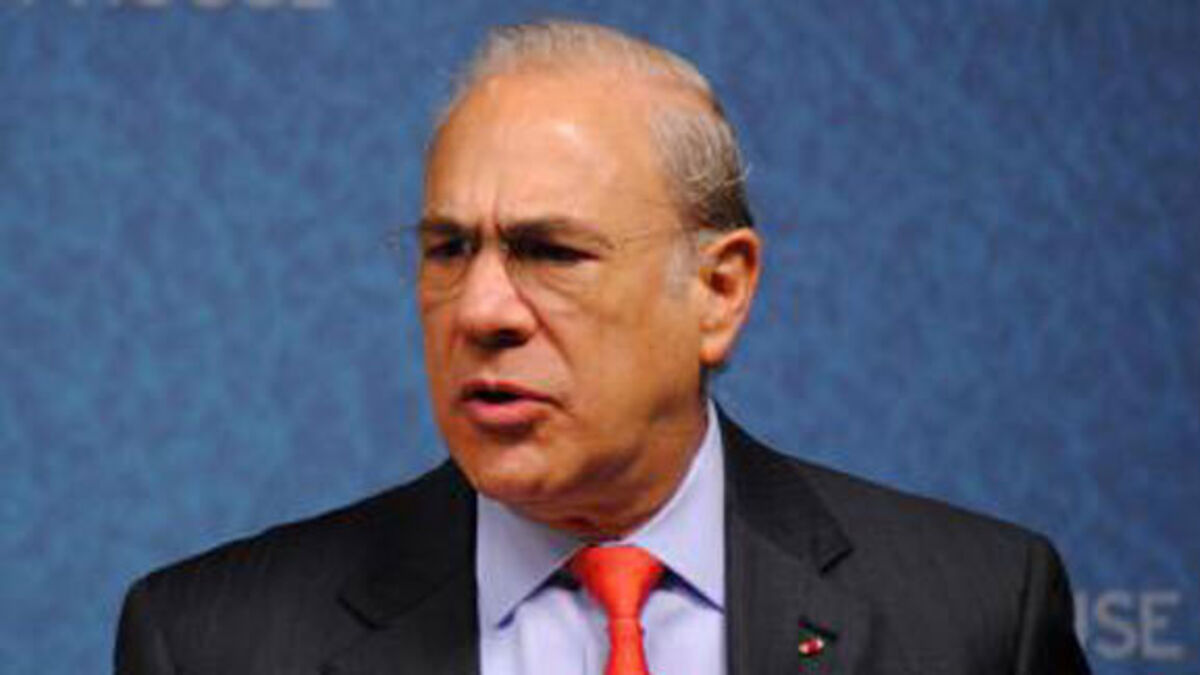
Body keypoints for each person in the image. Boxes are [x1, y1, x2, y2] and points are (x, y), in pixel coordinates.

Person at [116, 20, 1090, 675]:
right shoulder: (213, 642)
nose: (481, 310)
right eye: (448, 249)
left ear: (718, 291)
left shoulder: (972, 617)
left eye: (550, 252)